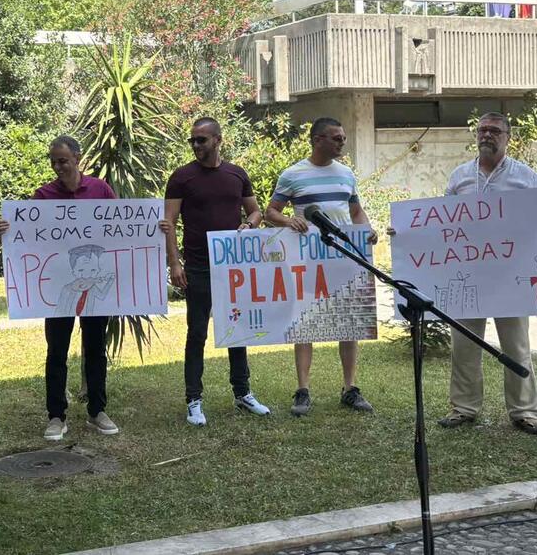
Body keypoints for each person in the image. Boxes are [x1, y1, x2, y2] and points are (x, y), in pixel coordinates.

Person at [431, 112, 537, 436]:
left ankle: (525, 413)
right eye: (482, 130)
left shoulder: (526, 178)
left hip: (512, 278)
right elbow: (441, 224)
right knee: (464, 345)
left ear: (508, 137)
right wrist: (407, 235)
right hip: (468, 275)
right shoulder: (459, 178)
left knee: (517, 347)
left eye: (494, 130)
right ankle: (463, 408)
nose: (487, 135)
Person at [0, 135, 120, 441]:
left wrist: (156, 230)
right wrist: (4, 234)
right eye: (53, 161)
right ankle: (55, 416)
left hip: (92, 288)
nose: (57, 166)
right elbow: (27, 237)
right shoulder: (43, 196)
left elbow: (123, 228)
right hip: (57, 290)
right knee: (57, 352)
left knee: (95, 350)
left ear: (78, 158)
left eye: (62, 160)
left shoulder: (100, 190)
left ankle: (97, 411)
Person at [159, 117, 271, 426]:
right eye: (192, 140)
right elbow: (169, 223)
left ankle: (242, 392)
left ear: (218, 140)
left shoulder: (236, 174)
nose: (196, 145)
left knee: (238, 329)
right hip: (197, 266)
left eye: (202, 140)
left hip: (232, 265)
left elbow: (256, 210)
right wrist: (175, 262)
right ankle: (194, 400)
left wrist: (249, 225)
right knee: (196, 333)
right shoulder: (181, 177)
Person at [263, 117, 378, 417]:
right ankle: (303, 390)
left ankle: (350, 388)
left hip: (343, 258)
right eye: (336, 138)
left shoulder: (346, 174)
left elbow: (356, 211)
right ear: (317, 140)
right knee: (304, 322)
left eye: (342, 138)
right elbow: (270, 212)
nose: (342, 142)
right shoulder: (293, 174)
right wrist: (289, 219)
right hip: (307, 259)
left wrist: (365, 231)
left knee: (348, 322)